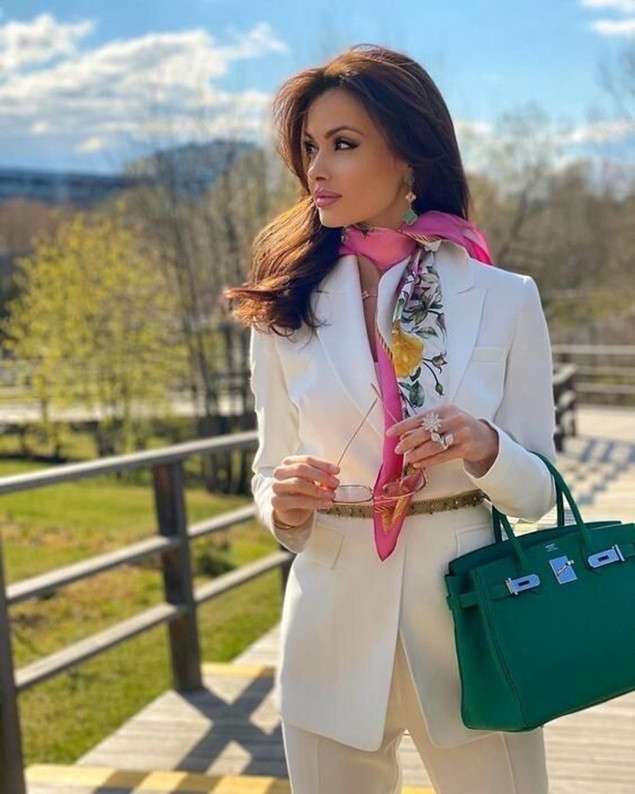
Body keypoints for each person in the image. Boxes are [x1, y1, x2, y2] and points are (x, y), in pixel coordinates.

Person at [226, 43, 556, 794]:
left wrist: (485, 447)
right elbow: (268, 468)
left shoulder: (505, 298)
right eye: (310, 147)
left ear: (409, 155)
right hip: (329, 627)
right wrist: (283, 503)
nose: (317, 168)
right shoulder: (282, 305)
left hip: (472, 625)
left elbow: (539, 490)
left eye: (343, 144)